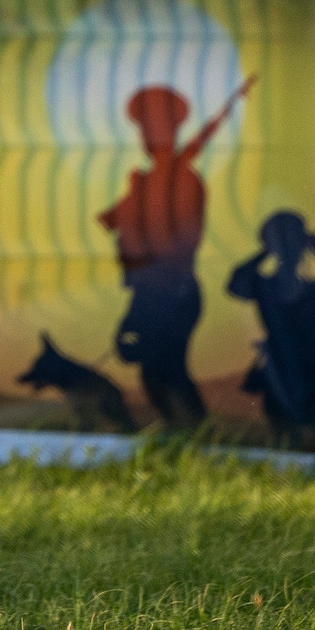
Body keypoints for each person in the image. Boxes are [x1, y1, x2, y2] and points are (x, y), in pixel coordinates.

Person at [95, 82, 247, 428]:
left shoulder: (183, 182)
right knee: (156, 373)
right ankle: (184, 434)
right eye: (145, 130)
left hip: (171, 291)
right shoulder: (147, 184)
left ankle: (196, 436)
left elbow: (181, 246)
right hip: (151, 290)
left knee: (167, 371)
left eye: (156, 129)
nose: (148, 137)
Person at [226, 210, 315, 450]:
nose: (290, 248)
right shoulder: (266, 287)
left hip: (305, 377)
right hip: (281, 376)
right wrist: (270, 250)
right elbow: (235, 285)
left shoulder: (309, 290)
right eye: (283, 239)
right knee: (287, 444)